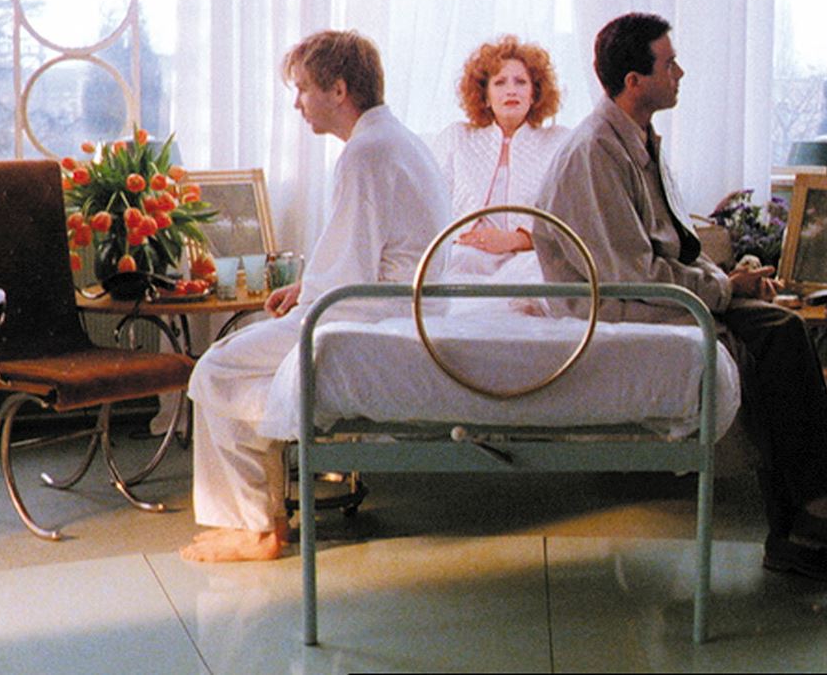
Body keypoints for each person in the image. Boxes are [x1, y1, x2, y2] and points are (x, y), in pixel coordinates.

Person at [533, 12, 827, 582]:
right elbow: (631, 275)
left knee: (778, 330)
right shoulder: (595, 153)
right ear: (634, 81)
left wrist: (729, 277)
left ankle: (804, 525)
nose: (680, 72)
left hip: (655, 292)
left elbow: (676, 243)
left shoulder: (638, 140)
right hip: (619, 304)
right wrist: (724, 288)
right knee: (778, 336)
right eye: (669, 63)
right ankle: (811, 519)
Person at [180, 29, 450, 563]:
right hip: (392, 306)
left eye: (303, 89)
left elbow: (353, 267)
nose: (298, 103)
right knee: (249, 379)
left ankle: (255, 528)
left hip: (370, 315)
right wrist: (308, 286)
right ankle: (263, 521)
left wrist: (312, 295)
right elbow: (377, 250)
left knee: (215, 369)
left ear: (339, 90)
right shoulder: (396, 141)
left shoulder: (366, 153)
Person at [433, 35, 570, 280]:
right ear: (485, 96)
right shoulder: (457, 138)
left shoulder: (559, 142)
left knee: (537, 278)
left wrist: (516, 240)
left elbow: (571, 219)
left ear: (534, 93)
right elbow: (430, 207)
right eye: (500, 83)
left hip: (530, 260)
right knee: (450, 270)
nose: (511, 90)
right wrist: (461, 238)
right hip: (467, 256)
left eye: (521, 82)